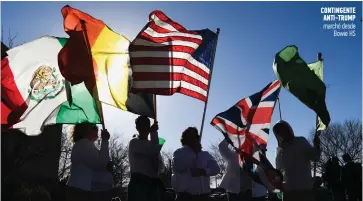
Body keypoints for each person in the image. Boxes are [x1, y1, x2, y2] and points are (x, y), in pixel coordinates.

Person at [273, 120, 321, 201]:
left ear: (288, 129)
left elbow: (315, 157)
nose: (282, 133)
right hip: (288, 191)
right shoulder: (279, 150)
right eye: (278, 131)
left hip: (305, 190)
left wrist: (317, 146)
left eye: (283, 129)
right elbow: (278, 171)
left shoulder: (301, 141)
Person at [172, 127, 220, 201]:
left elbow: (216, 169)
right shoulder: (179, 153)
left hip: (204, 196)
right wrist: (193, 152)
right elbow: (179, 167)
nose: (193, 139)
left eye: (194, 136)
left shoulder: (205, 154)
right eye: (190, 136)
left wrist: (204, 171)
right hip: (185, 197)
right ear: (185, 139)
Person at [66, 123, 110, 201]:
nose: (96, 129)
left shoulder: (81, 145)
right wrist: (105, 140)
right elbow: (101, 163)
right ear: (84, 131)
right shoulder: (84, 144)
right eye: (93, 127)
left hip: (78, 189)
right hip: (81, 192)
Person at [127, 116, 165, 201]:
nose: (145, 128)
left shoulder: (152, 144)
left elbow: (161, 167)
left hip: (152, 184)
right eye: (142, 125)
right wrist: (154, 133)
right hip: (138, 184)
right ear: (137, 128)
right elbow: (152, 150)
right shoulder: (134, 142)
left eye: (147, 125)